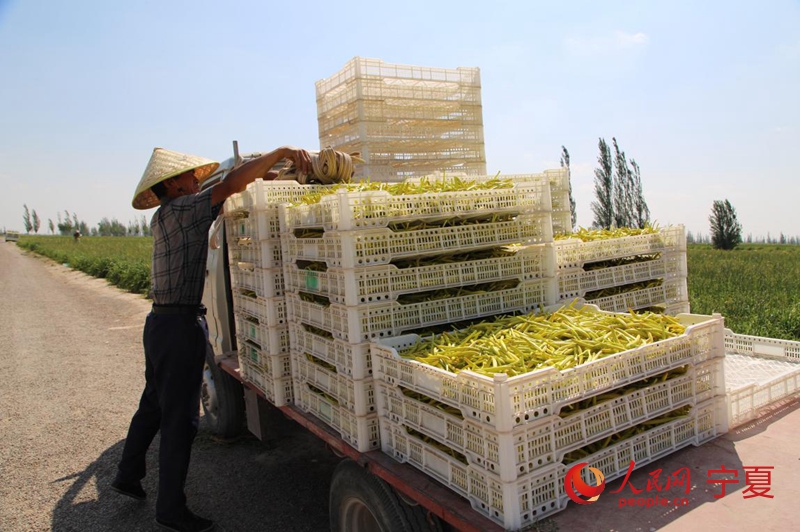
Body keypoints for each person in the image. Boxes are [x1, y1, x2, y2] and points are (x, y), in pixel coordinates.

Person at [113, 146, 312, 532]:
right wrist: (282, 152)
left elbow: (229, 187)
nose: (195, 180)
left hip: (158, 325)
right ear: (172, 182)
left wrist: (264, 178)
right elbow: (230, 184)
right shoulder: (187, 210)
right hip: (179, 329)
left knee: (153, 402)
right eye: (190, 176)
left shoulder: (163, 216)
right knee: (180, 422)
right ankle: (170, 509)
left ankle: (127, 473)